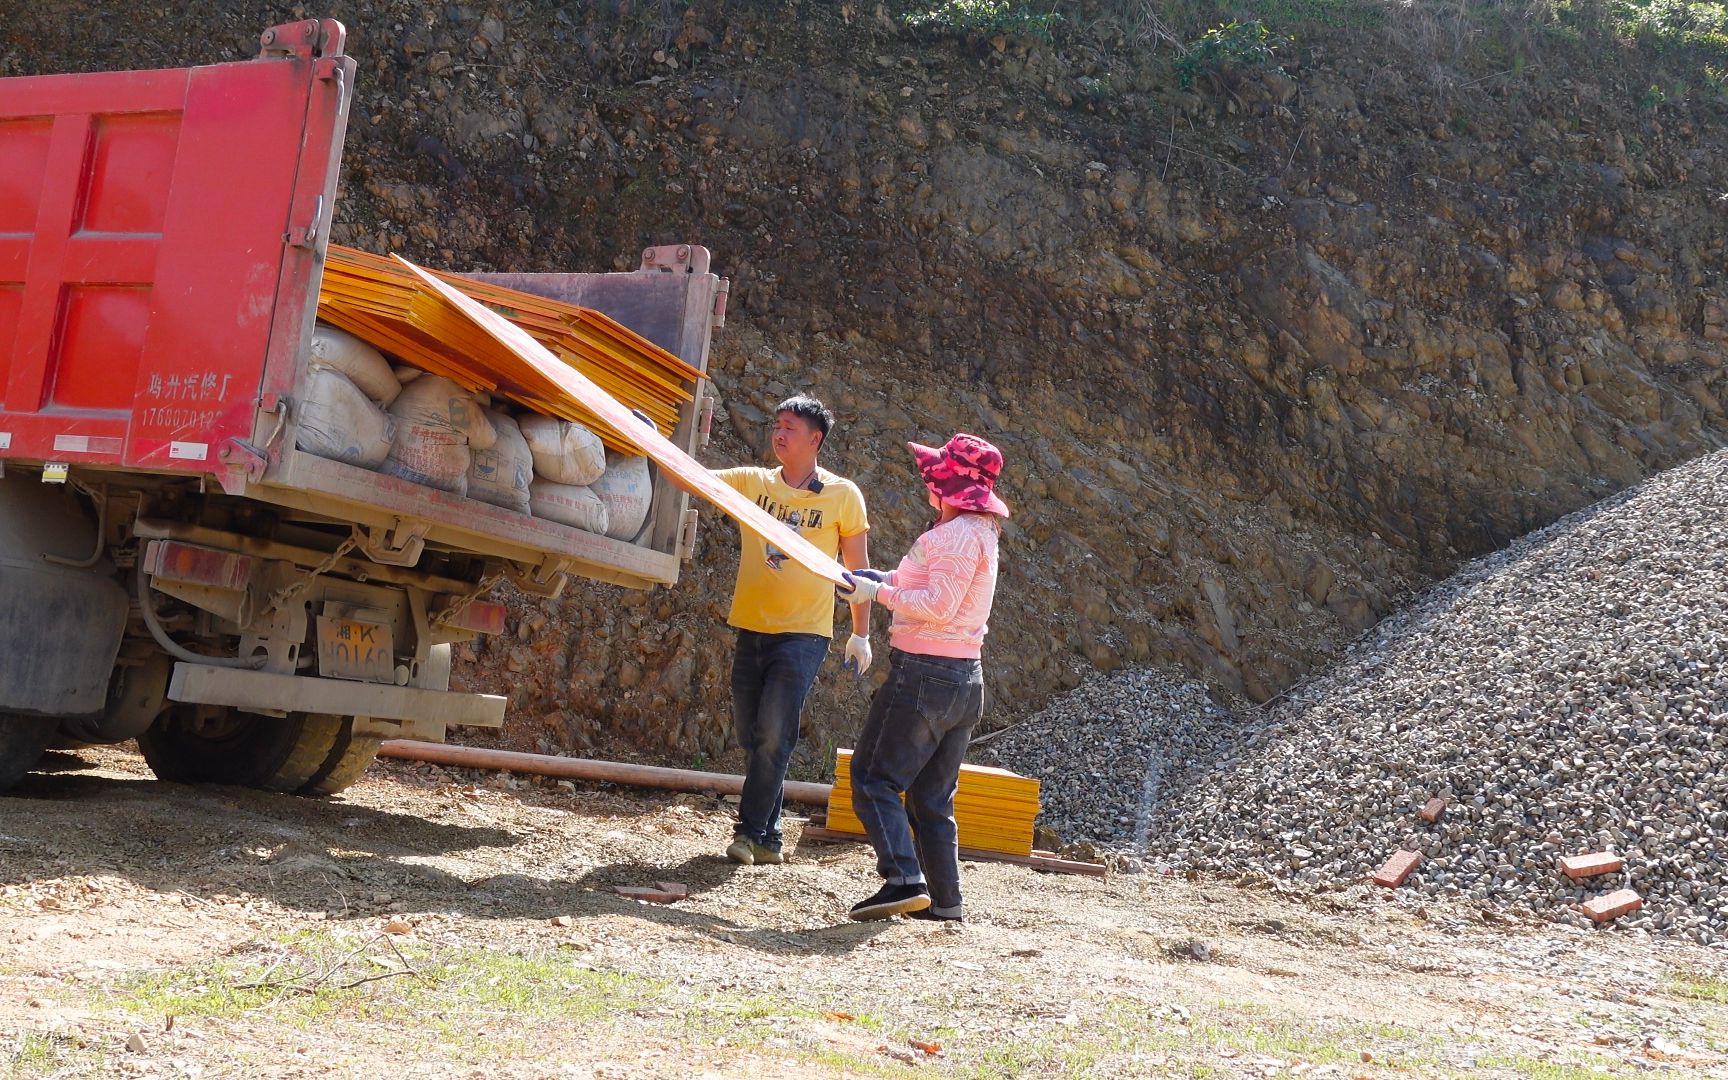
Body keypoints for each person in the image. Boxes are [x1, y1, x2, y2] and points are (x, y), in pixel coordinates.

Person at [837, 433, 1006, 921]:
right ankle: (946, 900)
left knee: (873, 779)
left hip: (924, 675)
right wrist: (873, 582)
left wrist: (878, 593)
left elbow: (936, 605)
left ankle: (903, 880)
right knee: (932, 798)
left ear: (948, 486)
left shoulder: (950, 536)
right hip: (963, 678)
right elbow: (924, 585)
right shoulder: (980, 533)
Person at [711, 395, 872, 866]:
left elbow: (858, 572)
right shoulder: (752, 482)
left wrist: (860, 633)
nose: (779, 434)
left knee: (774, 733)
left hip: (804, 634)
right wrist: (650, 440)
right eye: (776, 425)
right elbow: (694, 478)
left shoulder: (843, 496)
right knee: (752, 734)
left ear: (815, 439)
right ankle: (771, 837)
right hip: (752, 625)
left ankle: (749, 833)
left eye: (790, 428)